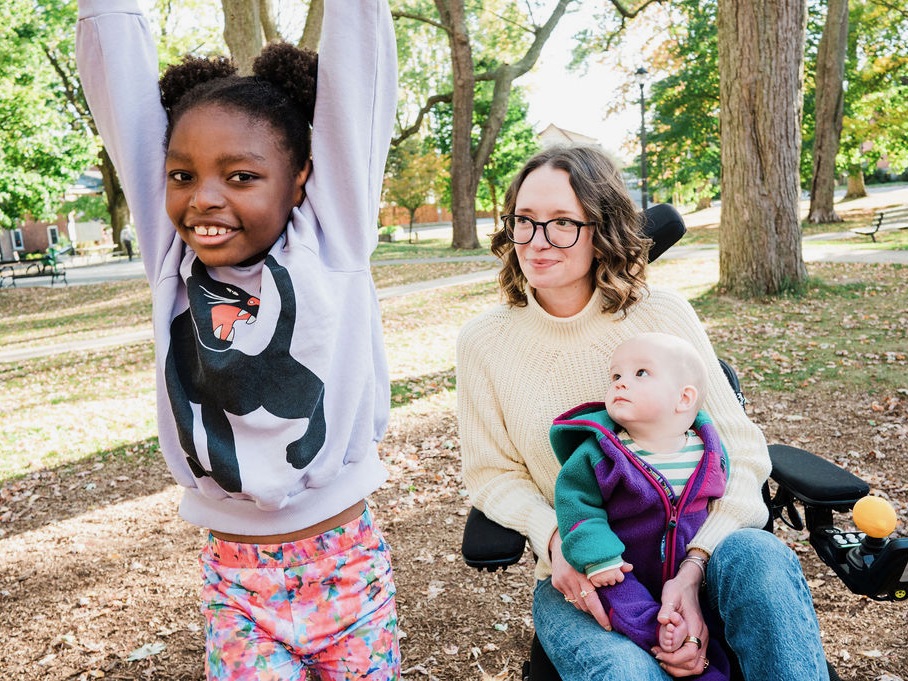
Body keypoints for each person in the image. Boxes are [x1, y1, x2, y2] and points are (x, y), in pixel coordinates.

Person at [76, 1, 400, 678]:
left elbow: (358, 47)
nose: (204, 199)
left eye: (242, 176)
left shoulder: (333, 236)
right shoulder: (173, 257)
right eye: (183, 175)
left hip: (347, 568)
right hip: (236, 584)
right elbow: (119, 77)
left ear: (302, 175)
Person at [456, 145, 830, 680]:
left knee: (761, 561)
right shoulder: (483, 343)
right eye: (524, 221)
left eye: (563, 223)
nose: (537, 242)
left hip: (709, 554)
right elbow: (492, 475)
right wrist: (555, 539)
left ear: (602, 229)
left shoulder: (661, 314)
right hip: (584, 575)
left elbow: (741, 450)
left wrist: (694, 569)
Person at [552, 332, 731, 680]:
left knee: (712, 626)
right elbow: (575, 502)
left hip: (691, 575)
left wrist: (698, 565)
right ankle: (673, 649)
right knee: (638, 616)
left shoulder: (708, 452)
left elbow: (719, 501)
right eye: (616, 376)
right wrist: (598, 557)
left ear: (684, 398)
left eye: (640, 374)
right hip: (619, 570)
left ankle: (701, 657)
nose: (620, 384)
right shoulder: (602, 453)